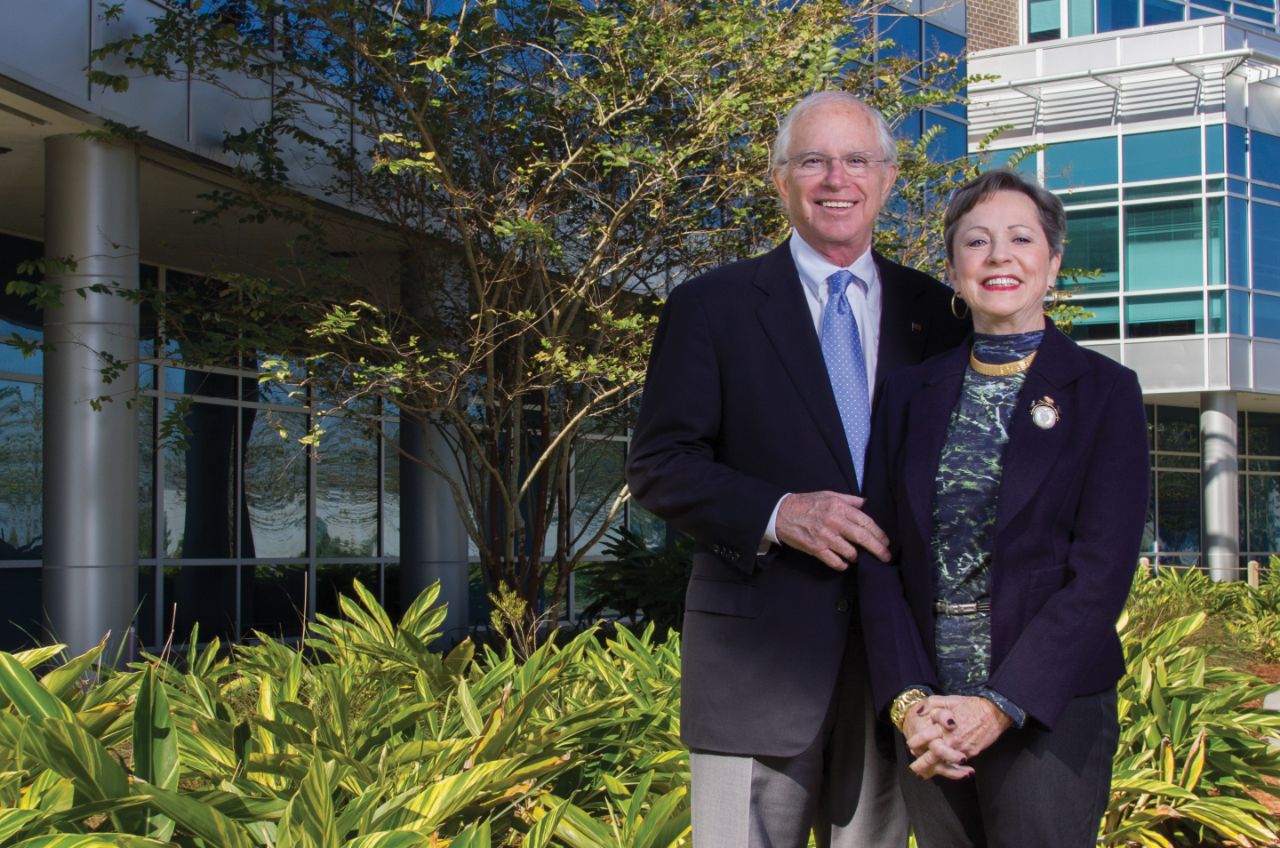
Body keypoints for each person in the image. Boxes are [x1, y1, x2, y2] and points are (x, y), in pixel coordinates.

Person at [625, 91, 969, 847]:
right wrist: (781, 513)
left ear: (887, 178)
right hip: (756, 668)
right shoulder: (710, 307)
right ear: (780, 180)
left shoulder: (940, 316)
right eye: (812, 160)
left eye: (856, 160)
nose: (835, 178)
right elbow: (658, 465)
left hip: (894, 670)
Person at [856, 168, 1150, 848]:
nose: (999, 257)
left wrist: (1001, 704)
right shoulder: (908, 394)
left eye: (1021, 238)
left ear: (1053, 262)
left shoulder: (1105, 392)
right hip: (930, 720)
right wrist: (909, 703)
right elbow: (879, 557)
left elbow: (1101, 574)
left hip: (1048, 711)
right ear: (954, 267)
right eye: (976, 241)